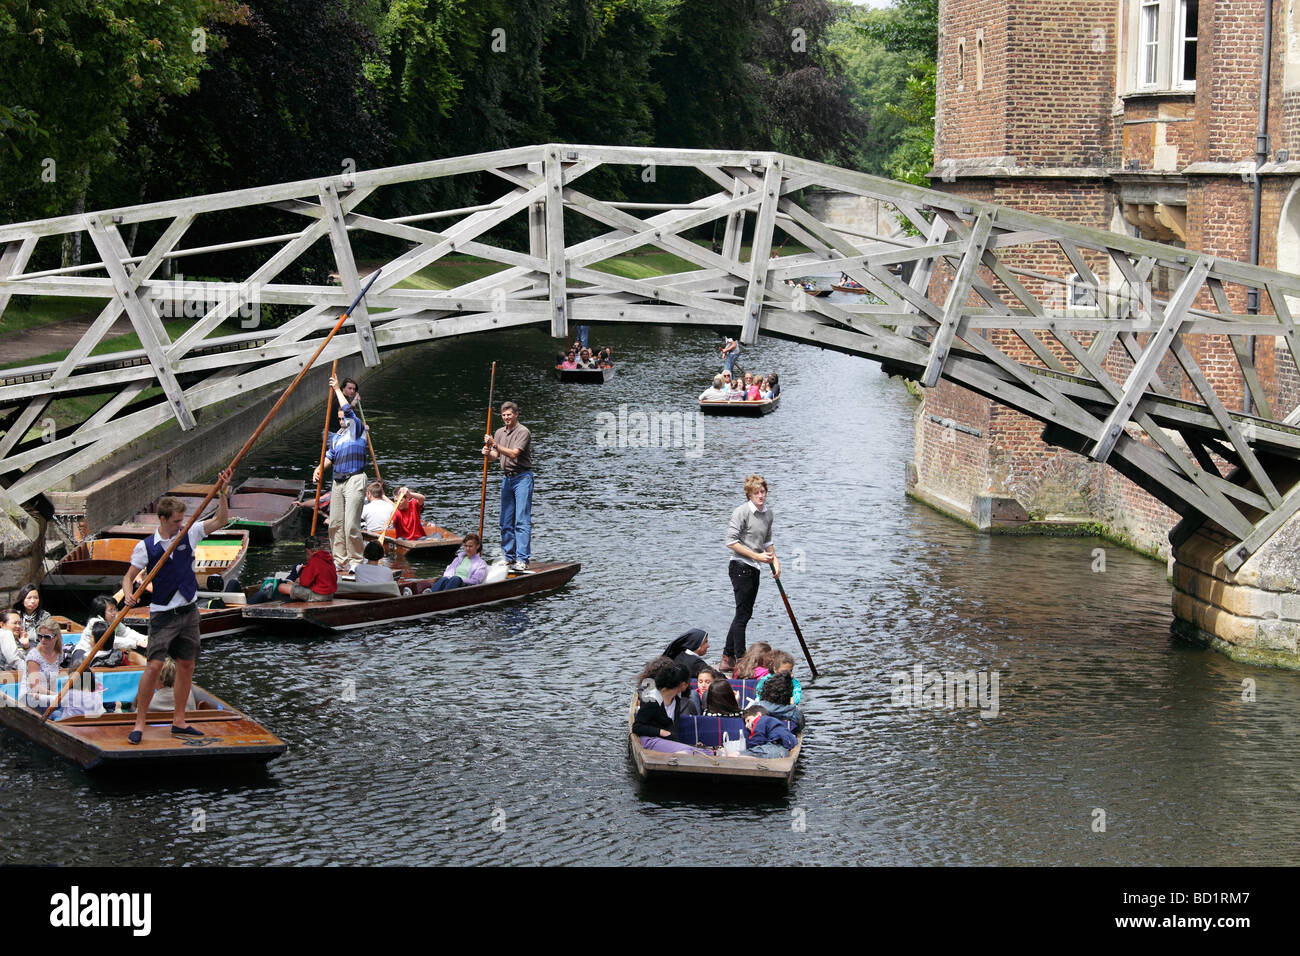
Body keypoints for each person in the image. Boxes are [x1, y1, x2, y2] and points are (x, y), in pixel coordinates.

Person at [121, 467, 232, 744]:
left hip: (189, 611)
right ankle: (139, 722)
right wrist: (129, 594)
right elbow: (128, 578)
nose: (179, 525)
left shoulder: (190, 531)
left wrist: (223, 492)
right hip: (162, 614)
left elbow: (221, 520)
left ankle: (179, 721)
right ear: (162, 519)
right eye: (175, 522)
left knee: (186, 665)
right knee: (154, 666)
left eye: (182, 520)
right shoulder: (146, 547)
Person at [721, 474, 778, 674]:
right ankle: (740, 659)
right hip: (740, 566)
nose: (760, 496)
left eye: (763, 492)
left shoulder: (768, 514)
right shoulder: (742, 512)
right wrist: (755, 555)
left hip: (755, 567)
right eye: (756, 492)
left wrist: (775, 562)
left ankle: (727, 657)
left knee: (743, 613)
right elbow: (730, 541)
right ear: (749, 494)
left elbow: (767, 542)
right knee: (743, 615)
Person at [312, 374, 368, 570]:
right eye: (339, 418)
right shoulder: (337, 437)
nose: (342, 420)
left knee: (351, 524)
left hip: (355, 479)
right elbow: (330, 456)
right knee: (335, 523)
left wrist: (337, 389)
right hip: (338, 481)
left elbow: (348, 411)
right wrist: (319, 468)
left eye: (344, 417)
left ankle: (355, 561)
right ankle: (340, 561)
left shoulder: (358, 430)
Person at [482, 400, 534, 572]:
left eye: (509, 415)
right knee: (505, 521)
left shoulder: (523, 432)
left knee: (521, 520)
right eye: (504, 415)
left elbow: (513, 454)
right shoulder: (499, 432)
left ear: (516, 415)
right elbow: (495, 456)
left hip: (522, 478)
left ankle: (523, 559)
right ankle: (509, 558)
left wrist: (494, 444)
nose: (506, 418)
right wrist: (488, 452)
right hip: (507, 479)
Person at [631, 661, 712, 756]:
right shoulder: (652, 700)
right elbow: (637, 727)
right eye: (687, 682)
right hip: (650, 741)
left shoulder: (676, 697)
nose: (688, 685)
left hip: (667, 742)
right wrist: (661, 732)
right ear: (682, 685)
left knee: (696, 750)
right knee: (692, 752)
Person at [248, 536, 338, 604]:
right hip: (330, 595)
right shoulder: (329, 559)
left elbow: (304, 582)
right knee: (290, 586)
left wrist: (296, 582)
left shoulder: (314, 560)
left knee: (281, 587)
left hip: (319, 596)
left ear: (308, 551)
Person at [70, 595, 147, 667]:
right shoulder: (95, 623)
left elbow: (126, 632)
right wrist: (136, 643)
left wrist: (144, 638)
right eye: (111, 610)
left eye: (115, 609)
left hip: (101, 653)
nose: (114, 613)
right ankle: (86, 680)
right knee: (84, 676)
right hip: (85, 653)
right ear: (101, 612)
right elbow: (109, 640)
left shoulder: (114, 621)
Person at [24, 623, 64, 710]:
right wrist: (57, 696)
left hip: (49, 697)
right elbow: (35, 687)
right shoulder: (34, 656)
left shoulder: (59, 654)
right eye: (40, 636)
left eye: (47, 637)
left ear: (56, 637)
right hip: (32, 698)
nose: (42, 640)